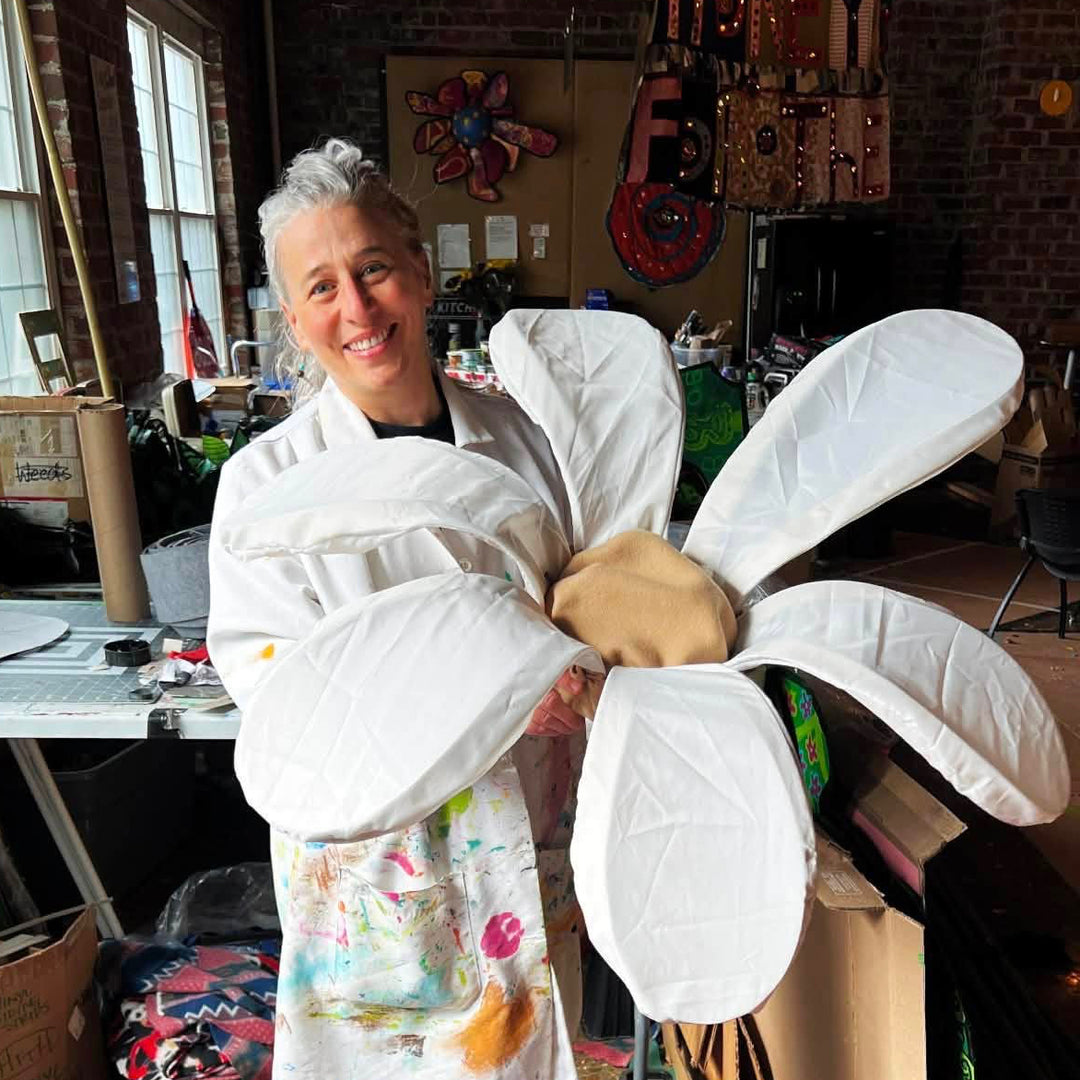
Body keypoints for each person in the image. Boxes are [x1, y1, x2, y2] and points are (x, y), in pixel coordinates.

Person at [207, 138, 590, 1078]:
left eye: (373, 268)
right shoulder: (267, 487)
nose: (356, 307)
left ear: (420, 273)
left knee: (528, 1058)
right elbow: (282, 695)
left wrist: (579, 667)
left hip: (527, 843)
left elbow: (581, 600)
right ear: (294, 320)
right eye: (322, 287)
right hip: (378, 882)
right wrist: (495, 700)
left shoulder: (523, 442)